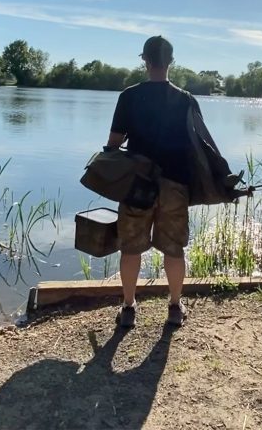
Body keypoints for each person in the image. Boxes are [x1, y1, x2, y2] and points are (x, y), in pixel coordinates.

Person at [106, 35, 199, 328]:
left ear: (144, 61)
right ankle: (174, 307)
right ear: (170, 62)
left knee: (130, 248)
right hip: (175, 185)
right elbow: (198, 148)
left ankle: (129, 307)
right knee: (174, 249)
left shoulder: (129, 96)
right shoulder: (186, 100)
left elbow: (113, 143)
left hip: (137, 185)